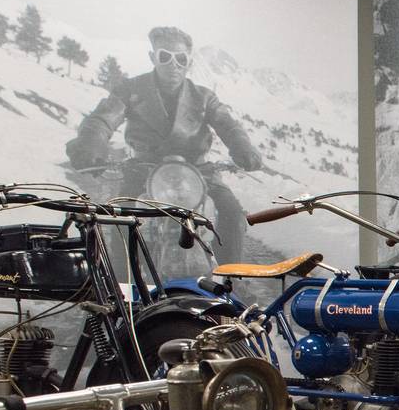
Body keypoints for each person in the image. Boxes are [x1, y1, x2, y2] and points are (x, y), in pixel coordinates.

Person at [66, 26, 262, 262]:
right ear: (153, 58)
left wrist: (243, 149)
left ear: (189, 63)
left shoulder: (204, 97)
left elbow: (229, 126)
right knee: (121, 214)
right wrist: (90, 146)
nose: (173, 64)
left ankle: (232, 281)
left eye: (180, 58)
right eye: (165, 56)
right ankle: (124, 285)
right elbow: (104, 119)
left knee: (232, 214)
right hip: (144, 167)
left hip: (198, 170)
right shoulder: (131, 89)